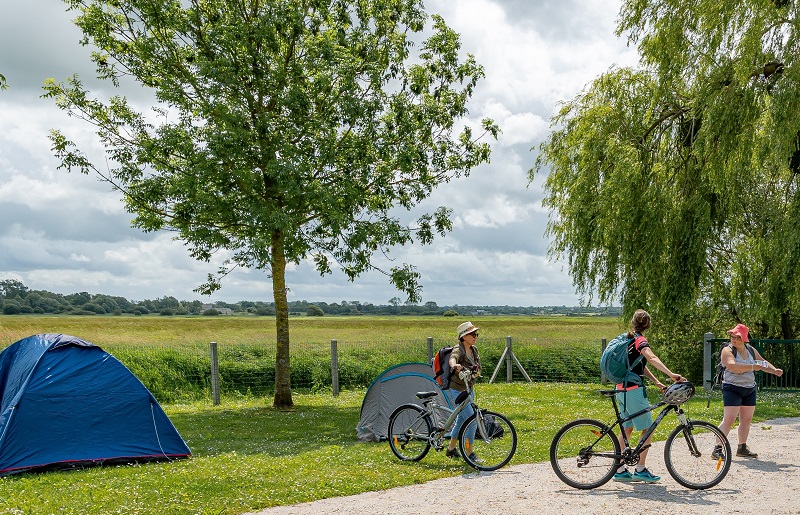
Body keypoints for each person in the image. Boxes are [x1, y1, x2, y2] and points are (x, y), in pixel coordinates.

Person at [613, 309, 684, 483]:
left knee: (627, 428)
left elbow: (639, 365)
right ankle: (640, 469)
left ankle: (620, 469)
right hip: (633, 391)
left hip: (621, 389)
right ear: (649, 325)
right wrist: (671, 374)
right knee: (648, 428)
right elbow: (650, 357)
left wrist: (657, 382)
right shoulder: (640, 340)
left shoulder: (629, 339)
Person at [713, 323, 783, 459]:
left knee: (746, 419)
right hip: (732, 387)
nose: (734, 339)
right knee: (729, 419)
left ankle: (742, 447)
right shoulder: (727, 350)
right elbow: (732, 366)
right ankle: (718, 448)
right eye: (732, 336)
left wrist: (774, 370)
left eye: (737, 337)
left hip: (749, 388)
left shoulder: (750, 350)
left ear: (744, 338)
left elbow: (762, 362)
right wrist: (752, 366)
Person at [445, 321, 482, 462]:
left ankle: (451, 449)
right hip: (457, 390)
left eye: (476, 334)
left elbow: (478, 367)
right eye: (472, 334)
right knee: (471, 420)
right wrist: (455, 366)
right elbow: (452, 359)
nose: (475, 336)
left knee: (461, 420)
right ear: (464, 336)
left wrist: (474, 373)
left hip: (468, 389)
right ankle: (469, 452)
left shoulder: (474, 350)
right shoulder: (458, 348)